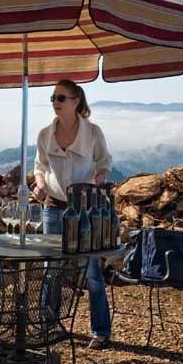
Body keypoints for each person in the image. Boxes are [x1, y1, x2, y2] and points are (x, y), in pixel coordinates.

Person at [33, 79, 113, 349]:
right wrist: (40, 186)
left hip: (85, 208)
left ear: (76, 100)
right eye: (53, 98)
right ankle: (48, 326)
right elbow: (40, 167)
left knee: (91, 271)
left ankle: (100, 331)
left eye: (61, 98)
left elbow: (104, 160)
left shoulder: (93, 132)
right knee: (50, 270)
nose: (55, 102)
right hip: (53, 208)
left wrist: (101, 174)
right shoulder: (45, 134)